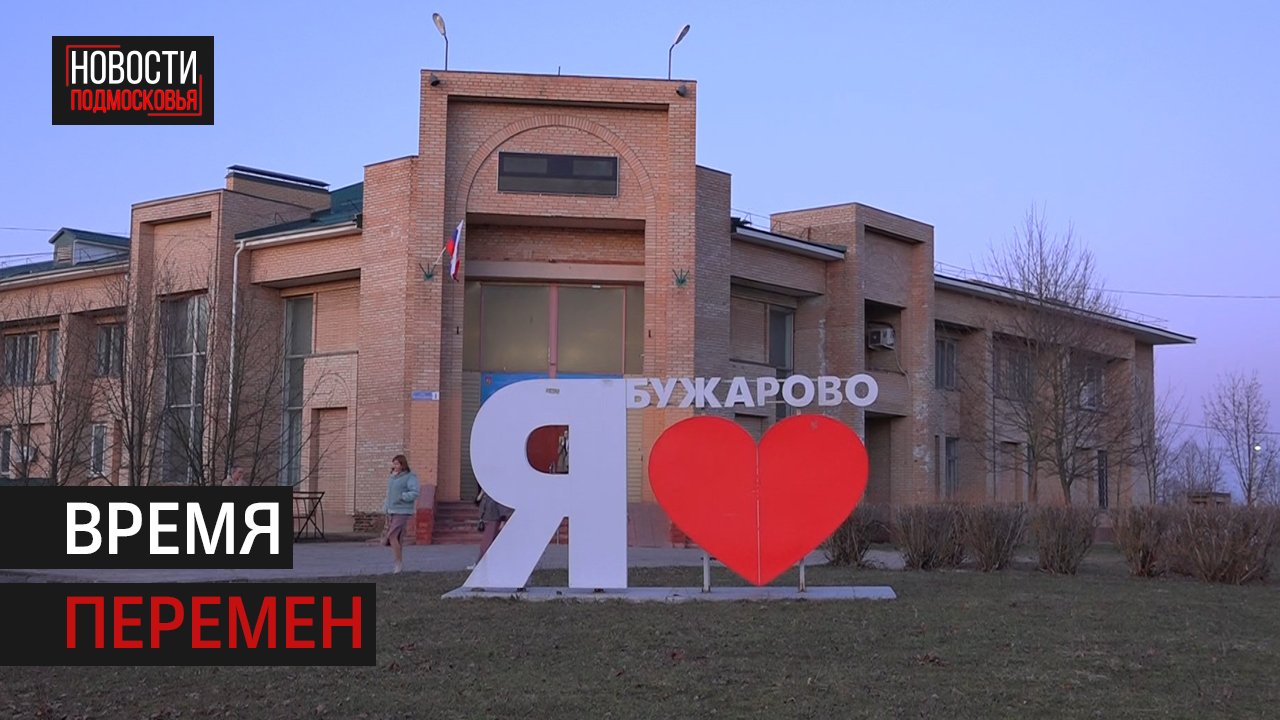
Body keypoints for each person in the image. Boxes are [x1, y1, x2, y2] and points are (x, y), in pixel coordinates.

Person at [383, 454, 420, 574]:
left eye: (397, 463)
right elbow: (389, 494)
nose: (395, 466)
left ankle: (398, 563)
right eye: (394, 463)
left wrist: (403, 496)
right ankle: (399, 564)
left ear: (403, 464)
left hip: (403, 510)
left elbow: (415, 492)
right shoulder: (392, 477)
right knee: (398, 537)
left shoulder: (410, 476)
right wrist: (386, 507)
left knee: (392, 535)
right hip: (392, 510)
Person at [470, 486, 512, 570]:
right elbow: (477, 503)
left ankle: (479, 564)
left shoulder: (496, 494)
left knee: (486, 545)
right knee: (488, 544)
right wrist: (481, 493)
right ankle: (486, 564)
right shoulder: (486, 495)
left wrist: (503, 521)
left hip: (494, 521)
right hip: (486, 521)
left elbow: (502, 508)